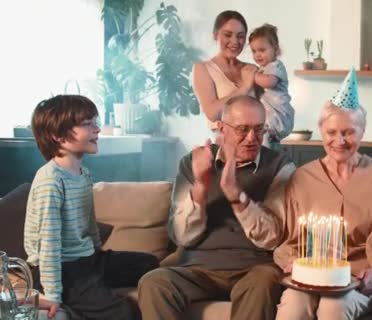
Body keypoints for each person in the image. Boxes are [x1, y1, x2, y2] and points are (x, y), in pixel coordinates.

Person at [137, 95, 296, 320]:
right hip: (198, 268)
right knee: (155, 282)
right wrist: (201, 185)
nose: (252, 138)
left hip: (254, 267)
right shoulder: (191, 163)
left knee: (265, 280)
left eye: (259, 129)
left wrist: (235, 194)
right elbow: (181, 237)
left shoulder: (281, 166)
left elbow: (271, 236)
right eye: (242, 129)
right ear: (222, 128)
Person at [271, 69, 372, 320]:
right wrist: (293, 263)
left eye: (349, 132)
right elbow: (289, 239)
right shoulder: (302, 178)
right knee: (292, 307)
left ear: (362, 132)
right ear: (322, 132)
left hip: (356, 280)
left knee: (333, 308)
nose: (339, 141)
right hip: (309, 276)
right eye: (331, 133)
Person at [24, 95, 159, 320]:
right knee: (124, 312)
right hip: (64, 268)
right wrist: (53, 295)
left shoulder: (83, 173)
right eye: (87, 125)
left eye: (94, 122)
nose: (96, 130)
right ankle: (73, 300)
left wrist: (98, 253)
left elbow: (88, 222)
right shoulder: (51, 180)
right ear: (57, 135)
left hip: (89, 261)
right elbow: (49, 244)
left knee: (151, 264)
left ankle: (86, 295)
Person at [192, 10, 258, 133]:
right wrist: (244, 88)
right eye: (227, 35)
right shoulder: (203, 69)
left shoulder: (251, 69)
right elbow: (212, 113)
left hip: (256, 142)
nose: (234, 42)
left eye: (240, 36)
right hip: (226, 146)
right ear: (215, 35)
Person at [248, 23, 294, 147]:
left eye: (262, 50)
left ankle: (265, 153)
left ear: (276, 49)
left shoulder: (276, 66)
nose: (257, 55)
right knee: (266, 136)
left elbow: (269, 82)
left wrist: (254, 75)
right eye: (254, 51)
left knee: (265, 135)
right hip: (270, 113)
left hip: (279, 112)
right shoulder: (264, 68)